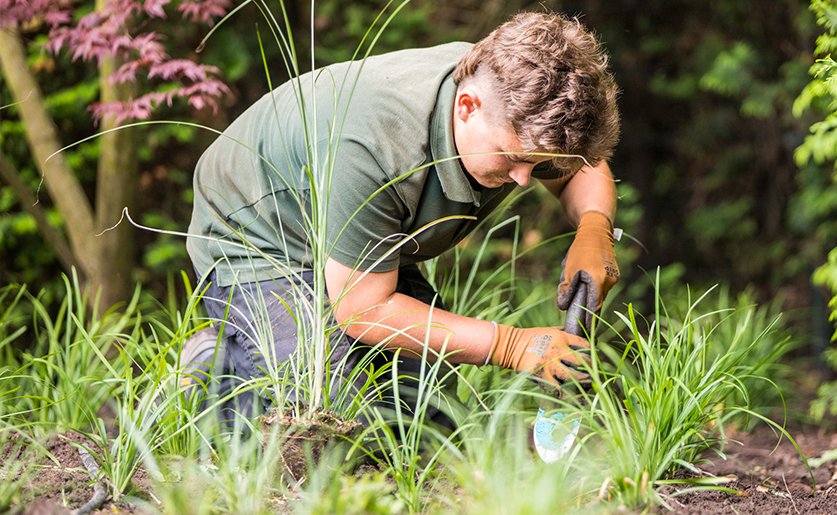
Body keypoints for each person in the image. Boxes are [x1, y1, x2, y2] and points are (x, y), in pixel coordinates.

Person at [183, 11, 621, 421]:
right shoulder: (376, 147)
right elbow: (363, 308)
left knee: (426, 418)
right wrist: (509, 345)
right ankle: (220, 377)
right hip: (260, 233)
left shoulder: (517, 99)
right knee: (338, 418)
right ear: (466, 107)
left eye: (536, 162)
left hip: (353, 238)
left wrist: (595, 224)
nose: (524, 179)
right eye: (511, 157)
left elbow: (580, 164)